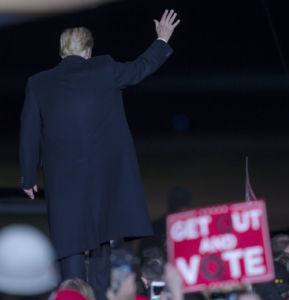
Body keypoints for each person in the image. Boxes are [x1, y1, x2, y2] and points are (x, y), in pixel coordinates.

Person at [19, 9, 180, 300]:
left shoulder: (38, 82)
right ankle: (105, 294)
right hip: (106, 181)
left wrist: (28, 176)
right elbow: (141, 68)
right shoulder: (104, 68)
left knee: (70, 248)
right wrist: (161, 39)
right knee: (105, 243)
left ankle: (72, 294)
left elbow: (29, 133)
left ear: (61, 51)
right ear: (89, 51)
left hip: (64, 184)